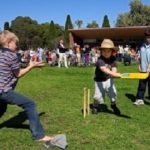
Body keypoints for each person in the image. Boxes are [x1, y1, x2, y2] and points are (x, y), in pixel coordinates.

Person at [0, 30, 53, 142]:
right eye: (15, 43)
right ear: (9, 42)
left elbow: (10, 69)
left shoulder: (2, 54)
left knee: (1, 107)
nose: (16, 45)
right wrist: (31, 67)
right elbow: (18, 73)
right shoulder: (12, 55)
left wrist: (29, 65)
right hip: (4, 91)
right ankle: (39, 135)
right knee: (30, 104)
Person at [92, 39, 121, 115]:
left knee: (113, 93)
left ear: (112, 51)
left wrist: (114, 73)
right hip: (99, 81)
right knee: (98, 96)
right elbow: (104, 69)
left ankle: (113, 105)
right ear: (101, 51)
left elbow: (114, 67)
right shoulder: (100, 60)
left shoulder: (113, 59)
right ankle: (95, 106)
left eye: (108, 51)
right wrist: (114, 74)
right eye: (104, 51)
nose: (106, 53)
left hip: (108, 79)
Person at [134, 28, 150, 105]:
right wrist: (139, 66)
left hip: (149, 70)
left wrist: (149, 67)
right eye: (147, 37)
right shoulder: (142, 46)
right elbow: (140, 57)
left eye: (149, 37)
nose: (148, 39)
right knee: (141, 85)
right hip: (143, 70)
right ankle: (140, 99)